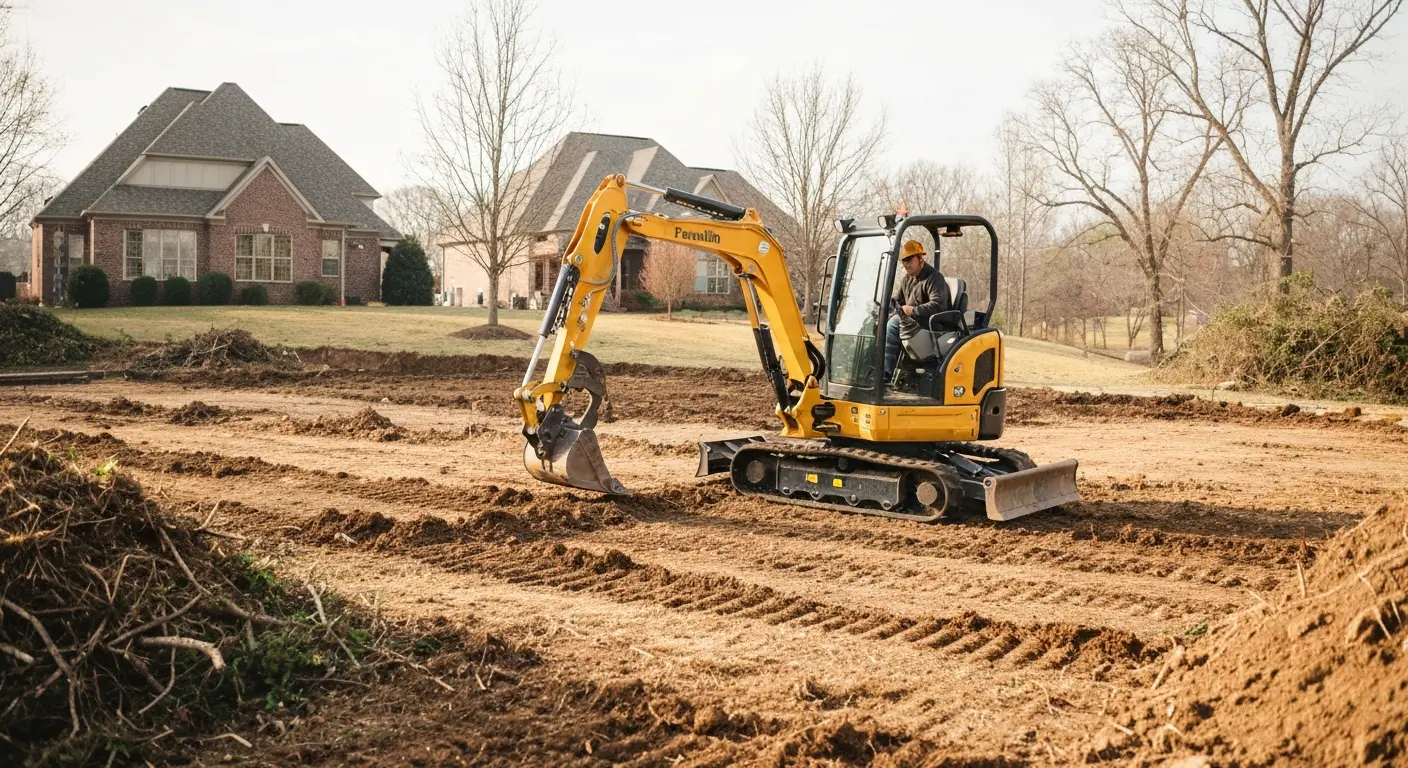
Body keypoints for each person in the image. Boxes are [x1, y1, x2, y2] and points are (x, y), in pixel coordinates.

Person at [883, 240, 949, 383]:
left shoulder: (934, 278)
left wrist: (913, 310)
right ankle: (877, 372)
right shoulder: (907, 279)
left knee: (892, 326)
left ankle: (885, 374)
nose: (906, 264)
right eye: (904, 261)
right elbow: (899, 300)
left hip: (930, 324)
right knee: (879, 321)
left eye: (909, 260)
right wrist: (886, 308)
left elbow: (938, 305)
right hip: (912, 321)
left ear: (920, 259)